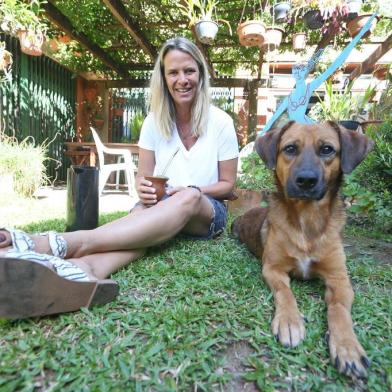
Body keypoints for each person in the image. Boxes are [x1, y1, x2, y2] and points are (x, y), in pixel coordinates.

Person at [0, 37, 239, 319]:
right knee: (140, 223)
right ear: (163, 78)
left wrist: (192, 189)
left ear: (200, 74)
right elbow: (143, 178)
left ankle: (63, 243)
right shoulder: (154, 122)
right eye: (173, 72)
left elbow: (228, 185)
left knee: (185, 197)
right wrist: (144, 190)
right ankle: (82, 272)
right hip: (160, 211)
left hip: (206, 211)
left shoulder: (221, 122)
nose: (182, 79)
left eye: (189, 71)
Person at [262, 13, 377, 133]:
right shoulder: (289, 98)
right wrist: (261, 134)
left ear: (305, 71)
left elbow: (334, 66)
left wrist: (356, 39)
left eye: (300, 70)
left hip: (309, 129)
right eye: (295, 71)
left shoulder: (309, 88)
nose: (297, 73)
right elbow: (273, 119)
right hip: (298, 132)